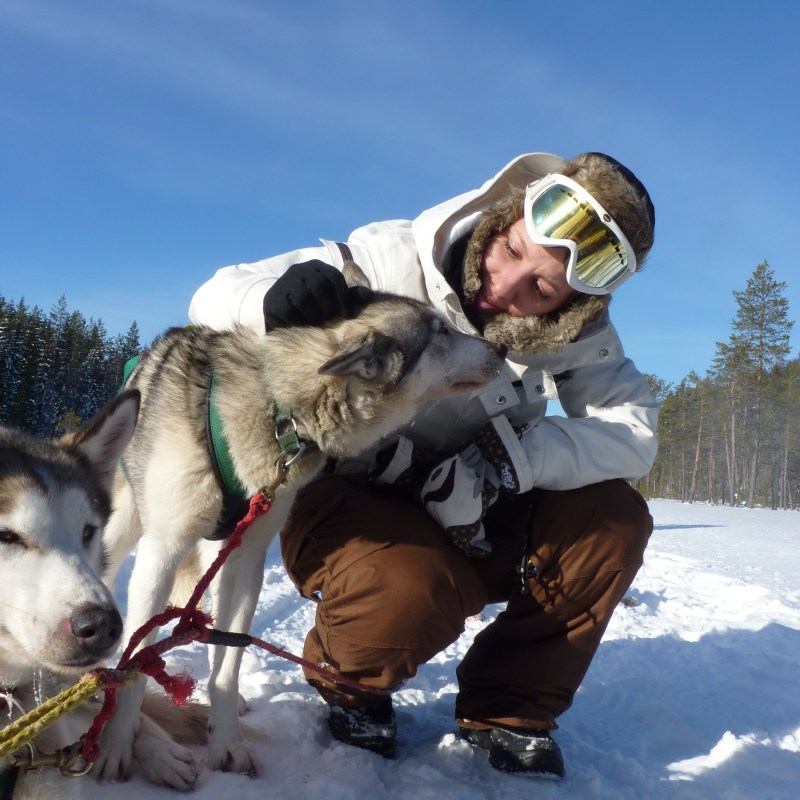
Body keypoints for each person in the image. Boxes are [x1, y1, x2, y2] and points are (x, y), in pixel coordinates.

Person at [189, 151, 658, 779]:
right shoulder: (386, 262)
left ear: (572, 302)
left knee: (614, 519)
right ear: (505, 218)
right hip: (352, 495)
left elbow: (634, 433)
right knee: (413, 588)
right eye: (513, 252)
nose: (504, 290)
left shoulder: (577, 336)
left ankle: (510, 707)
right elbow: (213, 296)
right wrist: (269, 301)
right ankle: (351, 677)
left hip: (480, 498)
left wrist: (511, 460)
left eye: (541, 290)